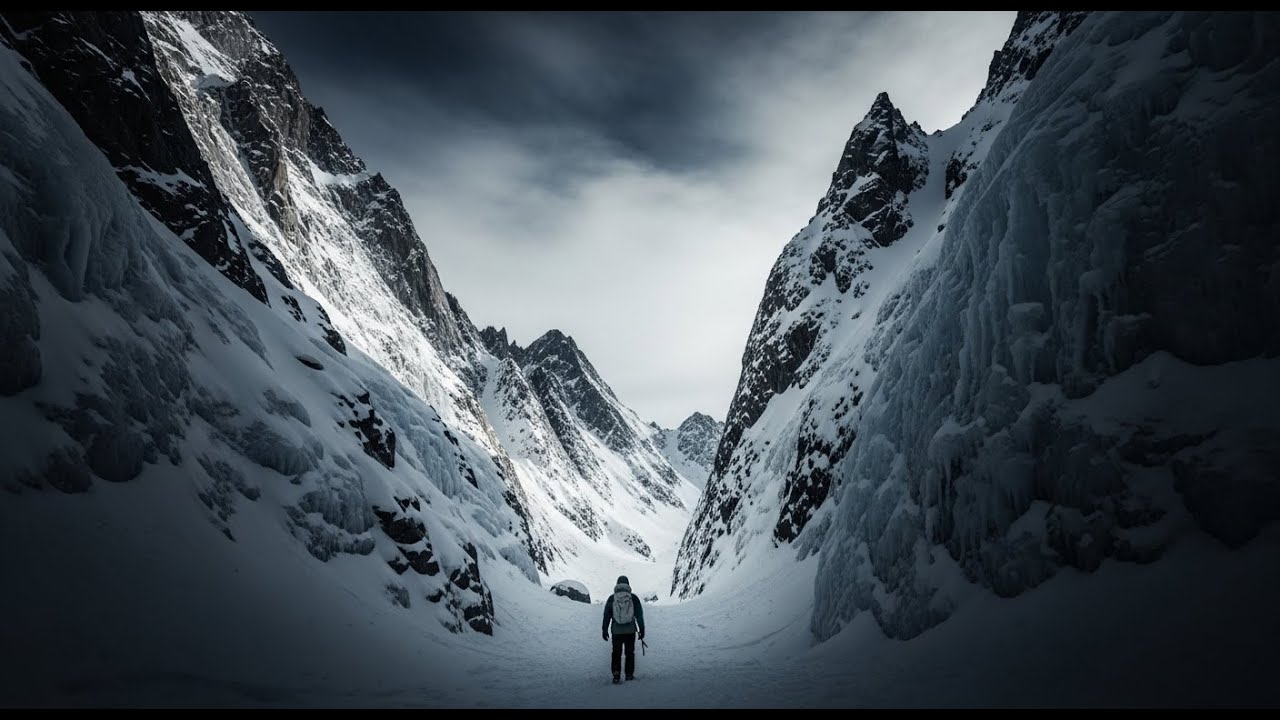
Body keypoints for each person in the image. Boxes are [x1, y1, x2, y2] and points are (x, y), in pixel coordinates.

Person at [601, 574, 645, 683]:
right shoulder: (633, 598)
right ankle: (629, 675)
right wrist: (642, 630)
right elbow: (639, 615)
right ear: (628, 584)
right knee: (630, 653)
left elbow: (607, 615)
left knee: (616, 652)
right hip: (630, 631)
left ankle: (616, 675)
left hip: (616, 631)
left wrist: (604, 630)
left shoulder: (612, 598)